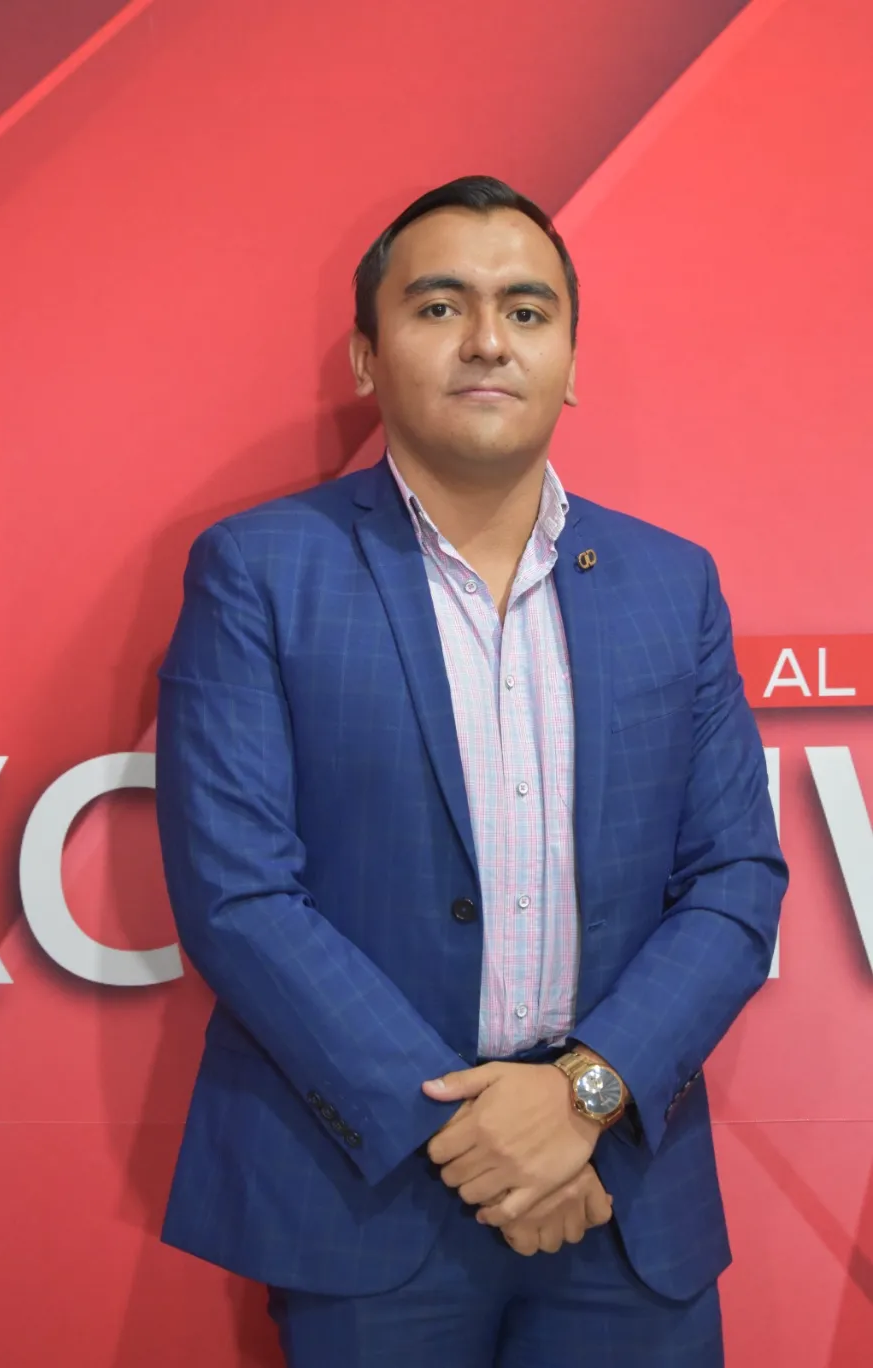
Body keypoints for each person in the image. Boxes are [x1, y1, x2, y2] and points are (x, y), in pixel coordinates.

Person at [155, 175, 787, 1367]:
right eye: (439, 307)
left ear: (569, 360)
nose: (488, 340)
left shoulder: (671, 584)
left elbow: (733, 881)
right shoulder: (259, 571)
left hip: (621, 1191)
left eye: (526, 310)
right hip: (371, 1193)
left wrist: (581, 1098)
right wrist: (479, 1137)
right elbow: (238, 894)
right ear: (366, 354)